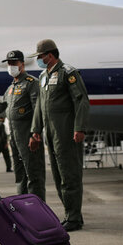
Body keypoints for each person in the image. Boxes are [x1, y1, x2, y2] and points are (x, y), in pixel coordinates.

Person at [29, 39, 90, 232]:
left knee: (69, 175)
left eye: (40, 56)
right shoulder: (44, 76)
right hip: (51, 135)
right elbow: (40, 105)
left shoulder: (68, 73)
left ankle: (74, 217)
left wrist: (79, 128)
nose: (38, 60)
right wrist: (35, 130)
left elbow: (81, 101)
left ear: (50, 55)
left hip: (66, 133)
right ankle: (70, 215)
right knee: (57, 176)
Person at [0, 50, 45, 200]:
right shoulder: (12, 87)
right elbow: (2, 104)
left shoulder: (32, 83)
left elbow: (38, 110)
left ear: (22, 64)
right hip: (15, 138)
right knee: (20, 175)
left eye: (14, 63)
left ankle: (38, 212)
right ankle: (23, 206)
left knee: (33, 175)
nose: (11, 66)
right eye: (9, 63)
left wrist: (35, 133)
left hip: (28, 136)